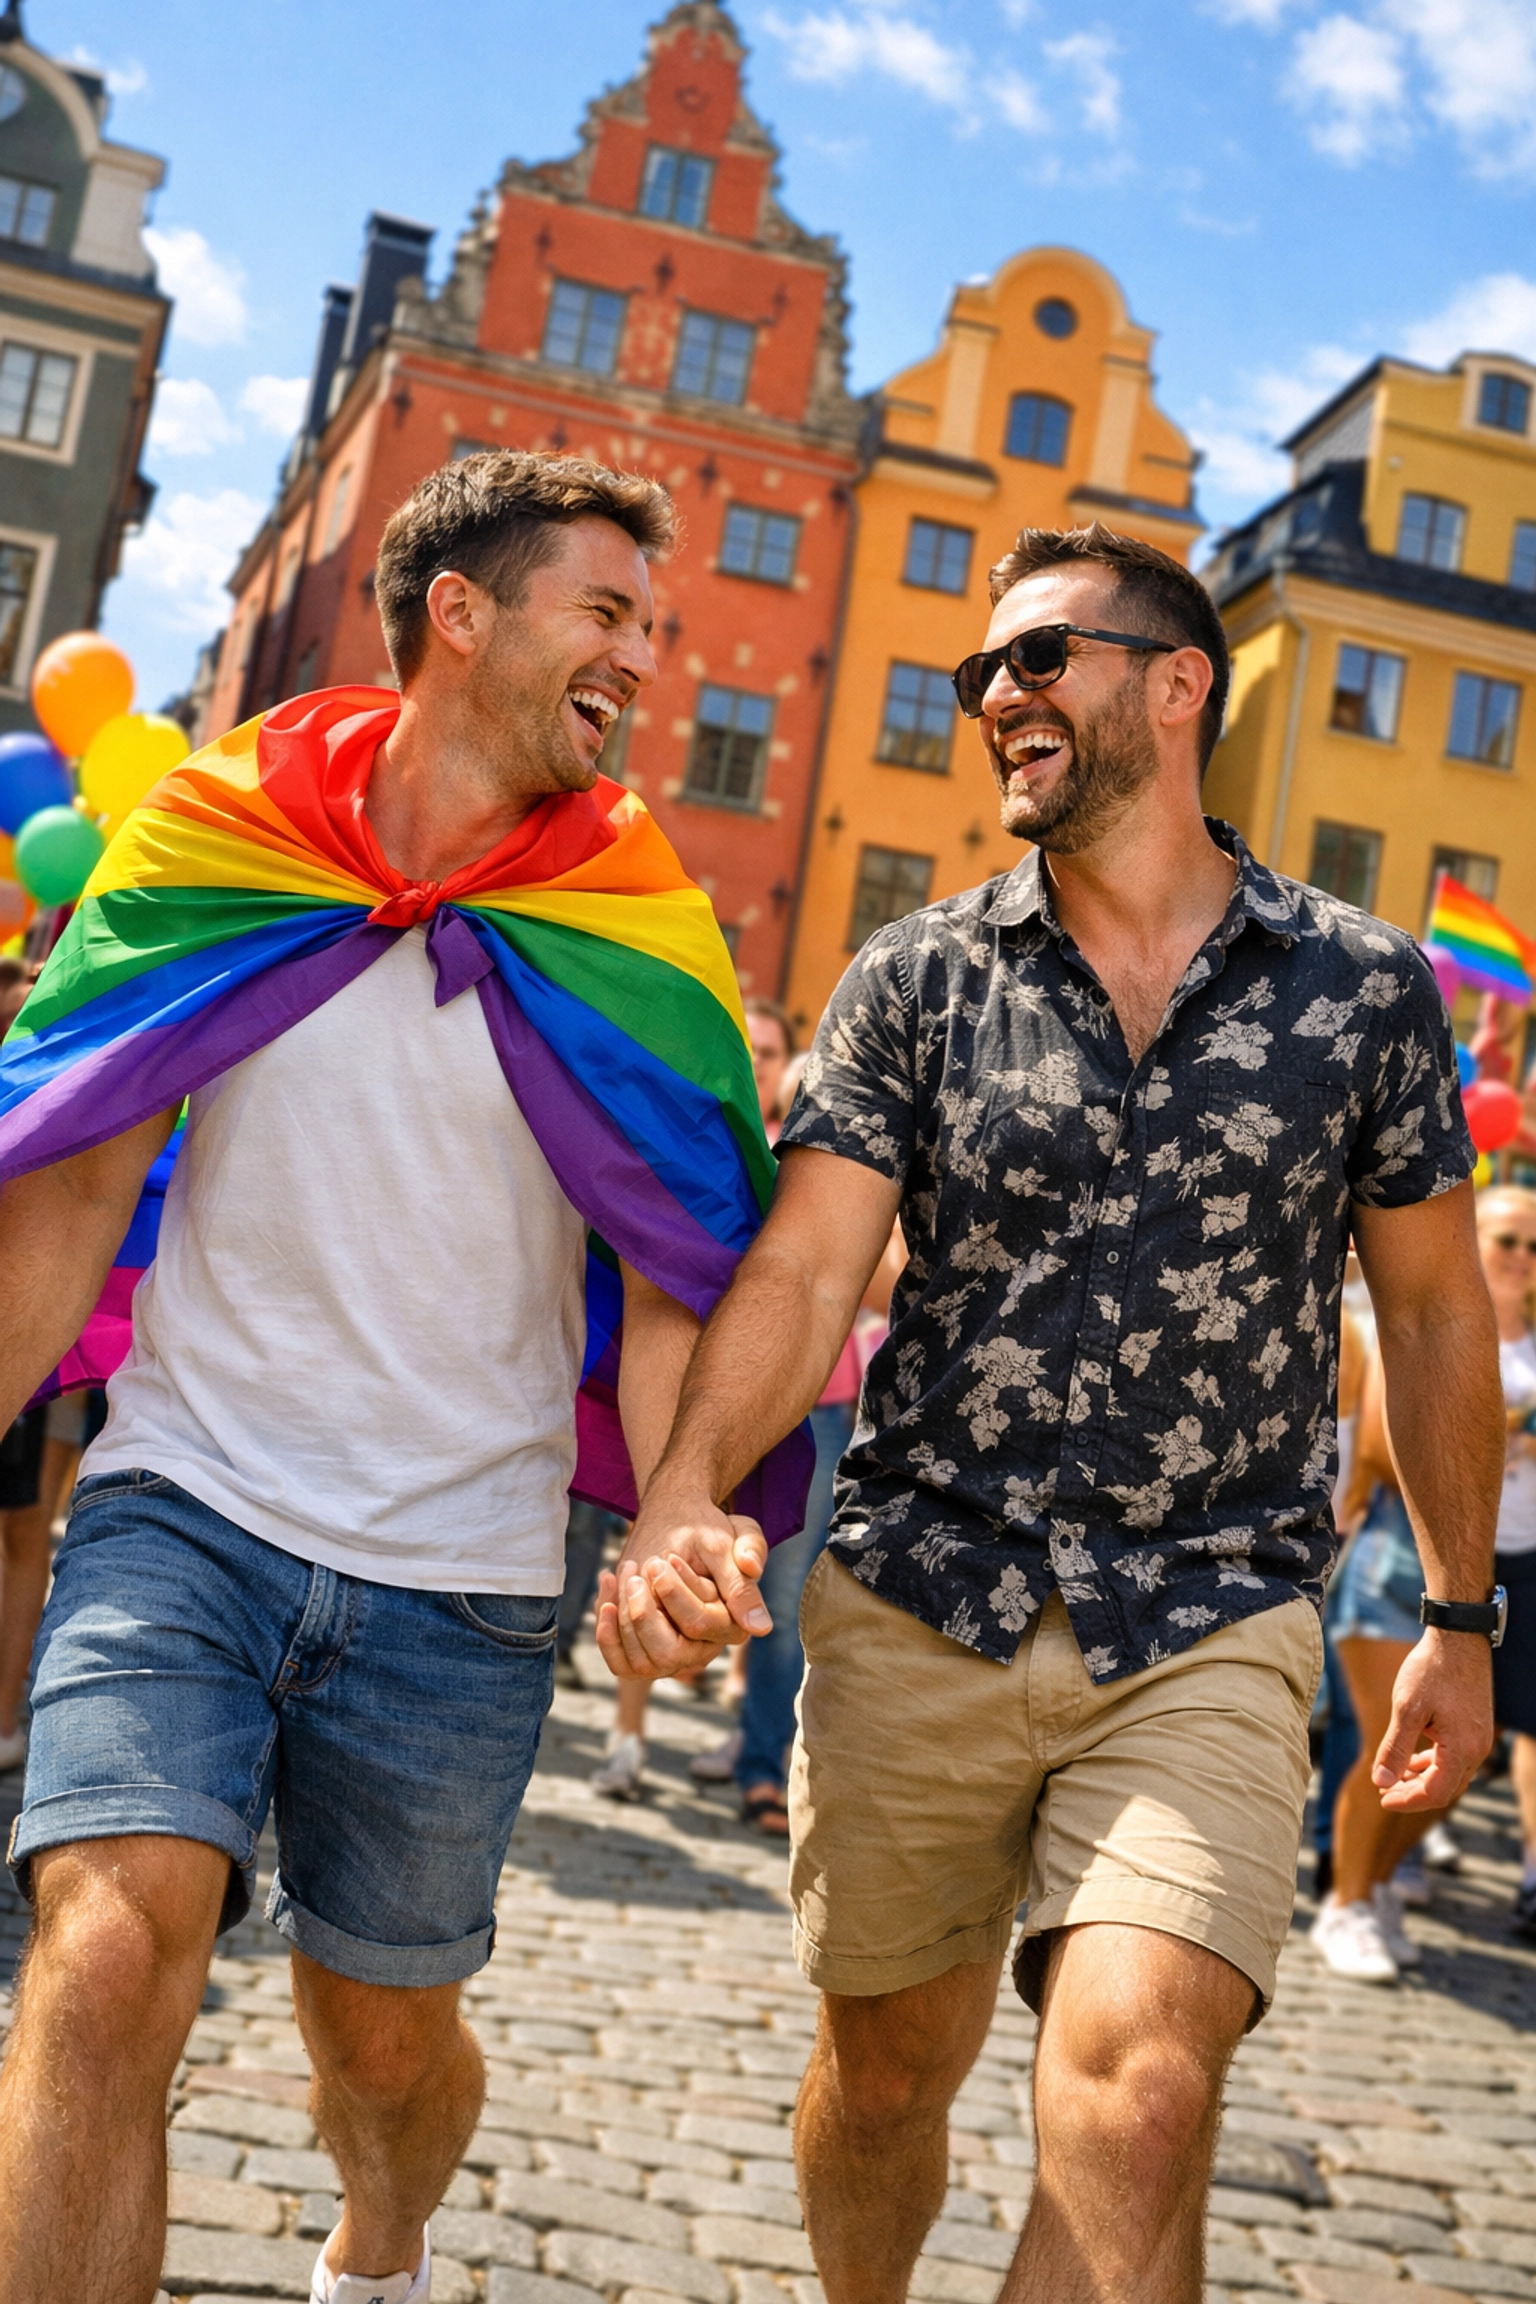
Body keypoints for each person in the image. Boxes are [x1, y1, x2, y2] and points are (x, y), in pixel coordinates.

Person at [599, 522, 1503, 2304]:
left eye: (1040, 659)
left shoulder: (1365, 987)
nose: (997, 695)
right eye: (979, 673)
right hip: (921, 1584)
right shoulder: (919, 974)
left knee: (1144, 2086)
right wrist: (684, 1485)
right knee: (881, 2083)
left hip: (1211, 1607)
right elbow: (803, 1268)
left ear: (1177, 687)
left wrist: (1460, 1615)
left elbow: (1430, 1305)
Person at [0, 451, 784, 2304]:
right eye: (605, 614)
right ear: (462, 610)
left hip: (464, 1573)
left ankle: (387, 2236)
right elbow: (76, 1169)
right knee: (105, 1958)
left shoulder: (635, 919)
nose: (639, 662)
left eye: (650, 629)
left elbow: (674, 1267)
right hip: (181, 1496)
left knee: (383, 2045)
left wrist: (678, 1511)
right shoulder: (212, 834)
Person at [594, 997, 799, 1803]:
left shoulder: (806, 1157)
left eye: (772, 1052)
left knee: (767, 1587)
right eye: (747, 1048)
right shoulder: (684, 1127)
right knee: (649, 1562)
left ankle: (755, 1755)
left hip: (802, 1402)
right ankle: (628, 1735)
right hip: (676, 1391)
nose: (758, 1064)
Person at [1474, 1186, 1536, 1938]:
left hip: (1527, 1550)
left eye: (1534, 1247)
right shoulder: (1441, 1326)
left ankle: (1531, 1876)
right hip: (1441, 1552)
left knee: (1530, 1724)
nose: (1524, 1259)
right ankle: (1381, 1865)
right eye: (1509, 1241)